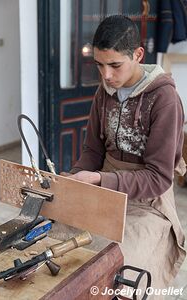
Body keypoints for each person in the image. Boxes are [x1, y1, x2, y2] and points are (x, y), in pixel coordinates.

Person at [63, 15, 186, 296]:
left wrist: (99, 179)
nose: (106, 75)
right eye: (99, 65)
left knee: (119, 270)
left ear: (138, 54)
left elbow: (158, 177)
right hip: (104, 187)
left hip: (147, 201)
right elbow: (93, 150)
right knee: (62, 245)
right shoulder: (104, 92)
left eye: (115, 65)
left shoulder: (164, 99)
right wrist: (73, 179)